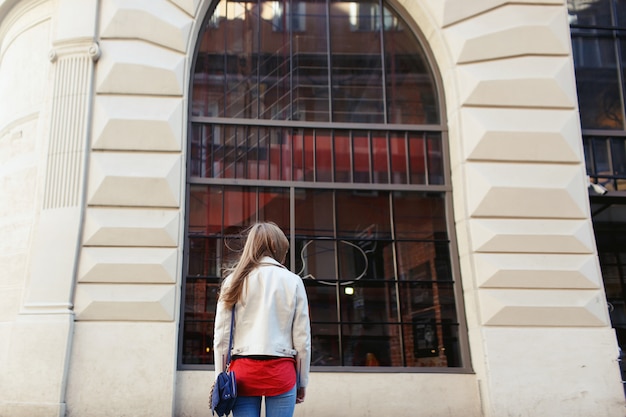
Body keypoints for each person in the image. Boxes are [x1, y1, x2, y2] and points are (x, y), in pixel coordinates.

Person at [213, 222, 311, 417]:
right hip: (281, 373)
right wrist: (302, 382)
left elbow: (221, 338)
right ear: (280, 248)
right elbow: (302, 340)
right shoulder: (293, 281)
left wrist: (220, 378)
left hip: (242, 374)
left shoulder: (233, 281)